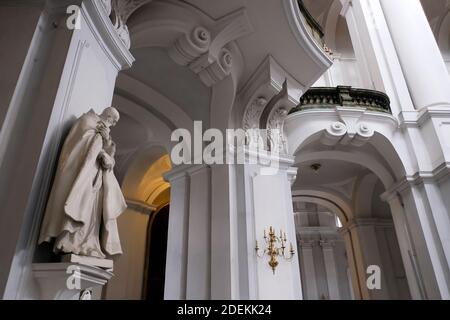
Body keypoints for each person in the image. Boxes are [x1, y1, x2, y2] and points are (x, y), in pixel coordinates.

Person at [38, 107, 127, 259]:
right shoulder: (87, 121)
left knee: (92, 211)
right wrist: (100, 148)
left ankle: (89, 244)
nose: (112, 125)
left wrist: (106, 143)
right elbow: (79, 146)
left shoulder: (105, 131)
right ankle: (69, 242)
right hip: (83, 174)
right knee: (80, 203)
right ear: (108, 115)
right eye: (113, 121)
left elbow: (108, 151)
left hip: (96, 178)